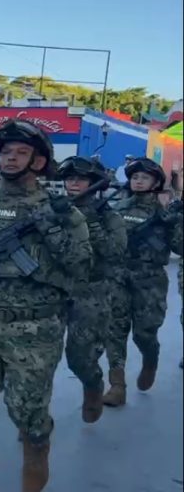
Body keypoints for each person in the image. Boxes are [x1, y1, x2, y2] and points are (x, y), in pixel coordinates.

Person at [0, 120, 90, 491]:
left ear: (39, 162)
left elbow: (81, 266)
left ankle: (37, 445)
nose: (11, 157)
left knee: (27, 410)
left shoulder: (61, 212)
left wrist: (50, 227)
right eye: (6, 151)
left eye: (21, 152)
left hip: (34, 328)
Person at [104, 157, 182, 405]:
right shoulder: (117, 208)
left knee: (144, 333)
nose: (138, 181)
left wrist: (178, 223)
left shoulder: (166, 214)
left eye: (144, 178)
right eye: (135, 177)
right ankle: (117, 385)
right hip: (119, 277)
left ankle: (150, 360)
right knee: (115, 331)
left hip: (150, 282)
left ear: (156, 182)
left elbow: (180, 248)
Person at [56, 156, 126, 423]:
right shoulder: (56, 209)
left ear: (94, 183)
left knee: (80, 358)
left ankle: (93, 385)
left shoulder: (110, 217)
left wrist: (92, 222)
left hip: (92, 294)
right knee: (39, 359)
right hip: (54, 291)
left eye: (80, 178)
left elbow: (115, 253)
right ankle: (34, 418)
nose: (73, 183)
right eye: (69, 178)